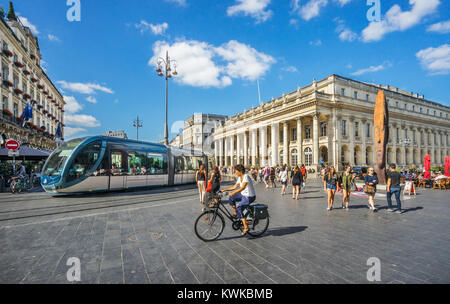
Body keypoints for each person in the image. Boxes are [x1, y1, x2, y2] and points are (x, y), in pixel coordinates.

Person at [220, 164, 256, 236]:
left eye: (236, 171)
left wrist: (233, 192)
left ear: (240, 171)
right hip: (243, 195)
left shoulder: (246, 176)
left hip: (249, 196)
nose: (235, 172)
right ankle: (235, 214)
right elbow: (234, 186)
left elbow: (242, 187)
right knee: (231, 198)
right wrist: (224, 190)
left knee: (239, 207)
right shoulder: (240, 178)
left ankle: (246, 227)